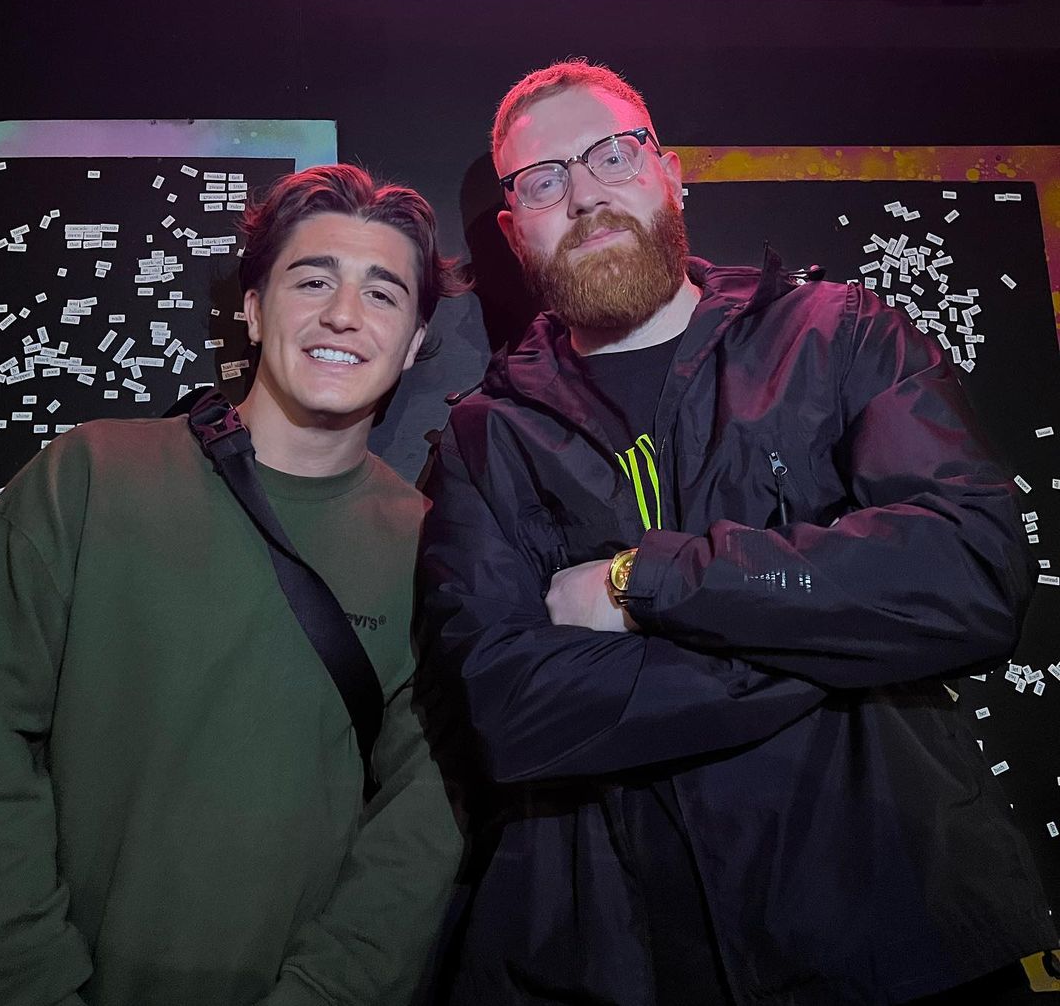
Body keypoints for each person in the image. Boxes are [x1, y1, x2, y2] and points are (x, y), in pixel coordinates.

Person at [416, 60, 1056, 1006]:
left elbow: (973, 571)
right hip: (626, 964)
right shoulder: (485, 436)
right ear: (515, 230)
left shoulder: (840, 335)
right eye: (543, 180)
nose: (585, 195)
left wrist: (649, 582)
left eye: (611, 155)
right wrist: (836, 650)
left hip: (900, 935)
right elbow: (504, 711)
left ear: (670, 174)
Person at [0, 164, 467, 1006]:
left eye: (383, 294)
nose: (344, 314)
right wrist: (31, 983)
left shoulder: (435, 552)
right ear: (253, 308)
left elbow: (422, 825)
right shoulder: (89, 476)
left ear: (416, 339)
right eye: (312, 280)